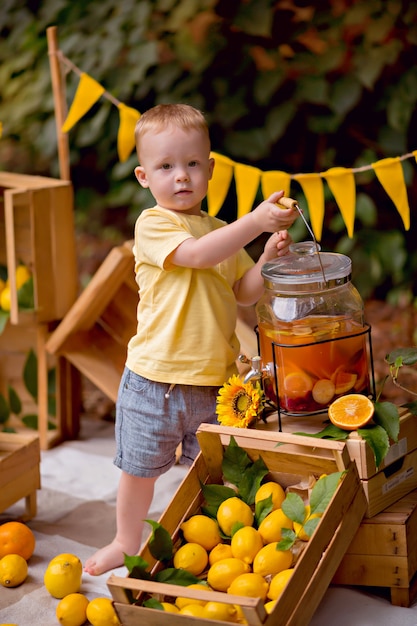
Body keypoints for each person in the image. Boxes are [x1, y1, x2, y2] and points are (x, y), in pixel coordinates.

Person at [84, 103, 298, 575]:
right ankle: (125, 538)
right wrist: (256, 223)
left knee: (212, 476)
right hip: (153, 380)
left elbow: (244, 293)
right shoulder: (155, 224)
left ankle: (205, 542)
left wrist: (263, 256)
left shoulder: (222, 232)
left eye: (192, 164)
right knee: (139, 469)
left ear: (211, 168)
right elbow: (197, 256)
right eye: (166, 167)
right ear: (144, 176)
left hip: (214, 385)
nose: (181, 177)